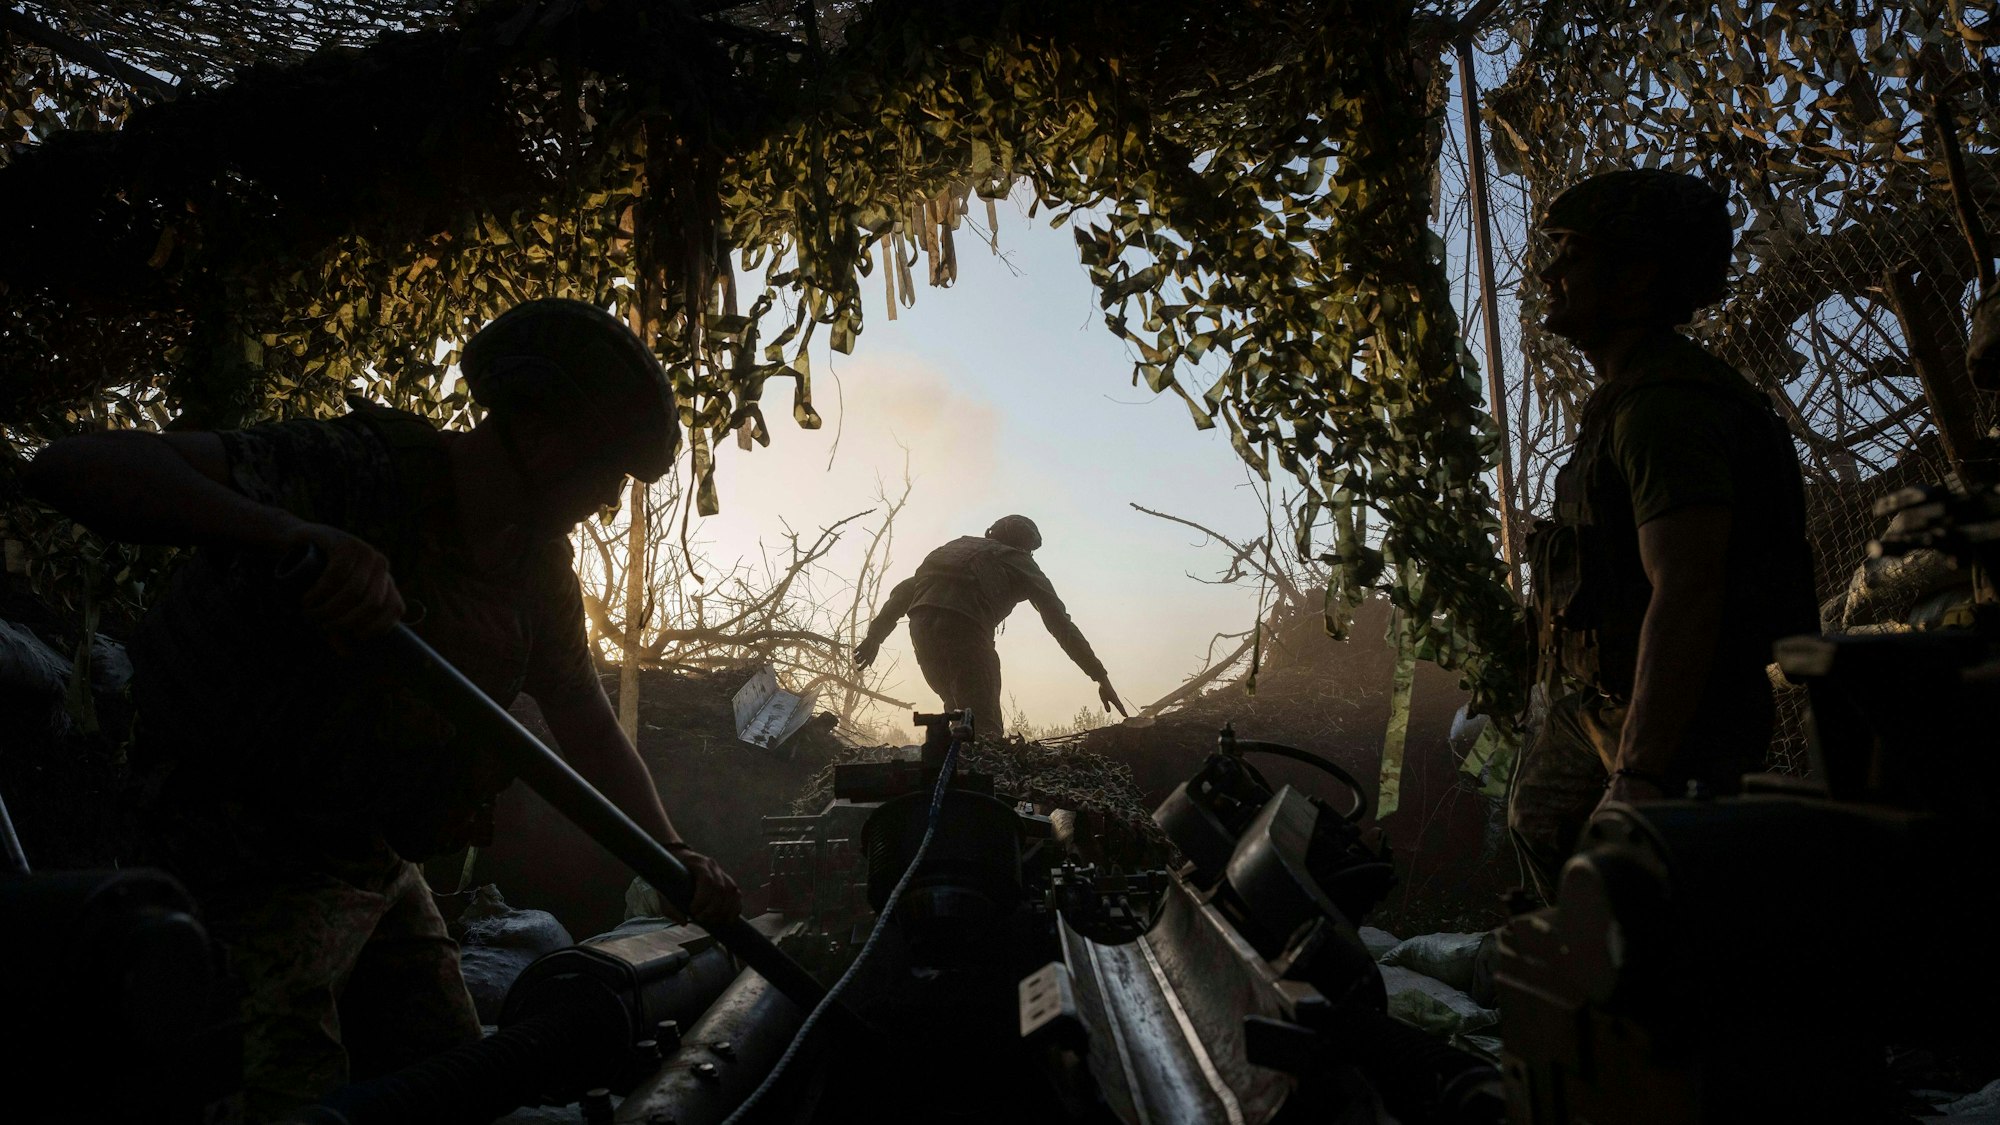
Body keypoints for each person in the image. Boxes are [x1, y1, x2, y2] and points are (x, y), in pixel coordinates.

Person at [22, 298, 742, 1118]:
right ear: (542, 444)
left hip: (372, 858)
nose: (606, 504)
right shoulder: (356, 471)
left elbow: (583, 717)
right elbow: (70, 466)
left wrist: (672, 851)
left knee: (458, 1082)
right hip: (236, 853)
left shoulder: (536, 572)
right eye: (604, 479)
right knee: (281, 1098)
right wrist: (290, 535)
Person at [1508, 169, 1819, 900]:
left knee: (1654, 908)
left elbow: (1687, 585)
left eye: (1572, 255)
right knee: (1550, 840)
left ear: (1636, 276)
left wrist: (1639, 773)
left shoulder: (1667, 410)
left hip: (1673, 731)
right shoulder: (1626, 403)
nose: (1551, 274)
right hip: (1605, 707)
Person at [853, 515, 1125, 737]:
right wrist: (1099, 675)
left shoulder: (952, 548)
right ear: (1025, 546)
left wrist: (875, 636)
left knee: (958, 713)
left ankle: (951, 783)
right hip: (966, 633)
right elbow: (1059, 622)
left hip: (922, 632)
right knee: (984, 729)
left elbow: (903, 593)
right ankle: (983, 792)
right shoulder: (1019, 561)